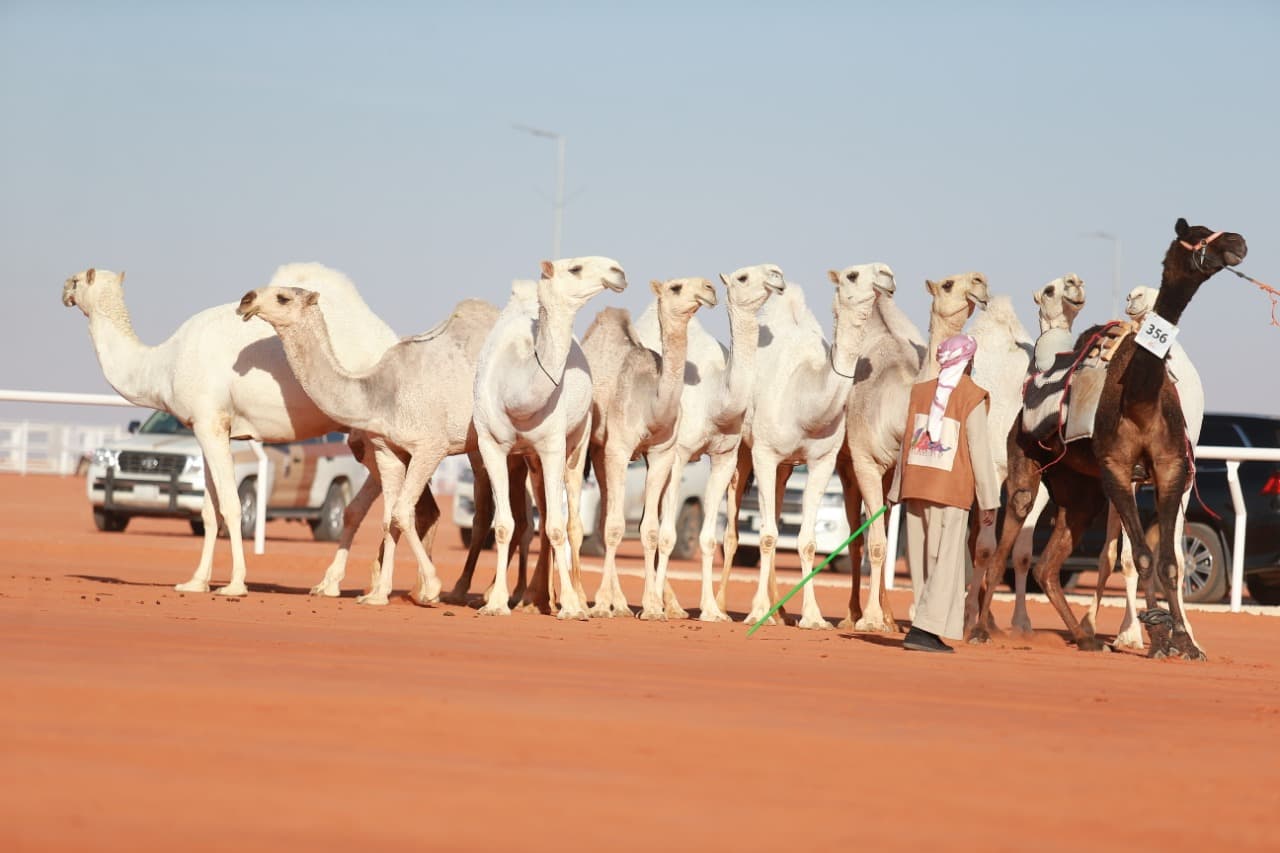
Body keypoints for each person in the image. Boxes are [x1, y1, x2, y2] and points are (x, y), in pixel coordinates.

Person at [888, 333, 1000, 653]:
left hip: (917, 487)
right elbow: (978, 450)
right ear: (968, 361)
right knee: (945, 564)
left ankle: (925, 626)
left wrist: (896, 489)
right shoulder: (971, 395)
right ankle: (924, 630)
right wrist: (989, 501)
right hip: (951, 491)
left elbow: (907, 443)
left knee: (925, 561)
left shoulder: (920, 392)